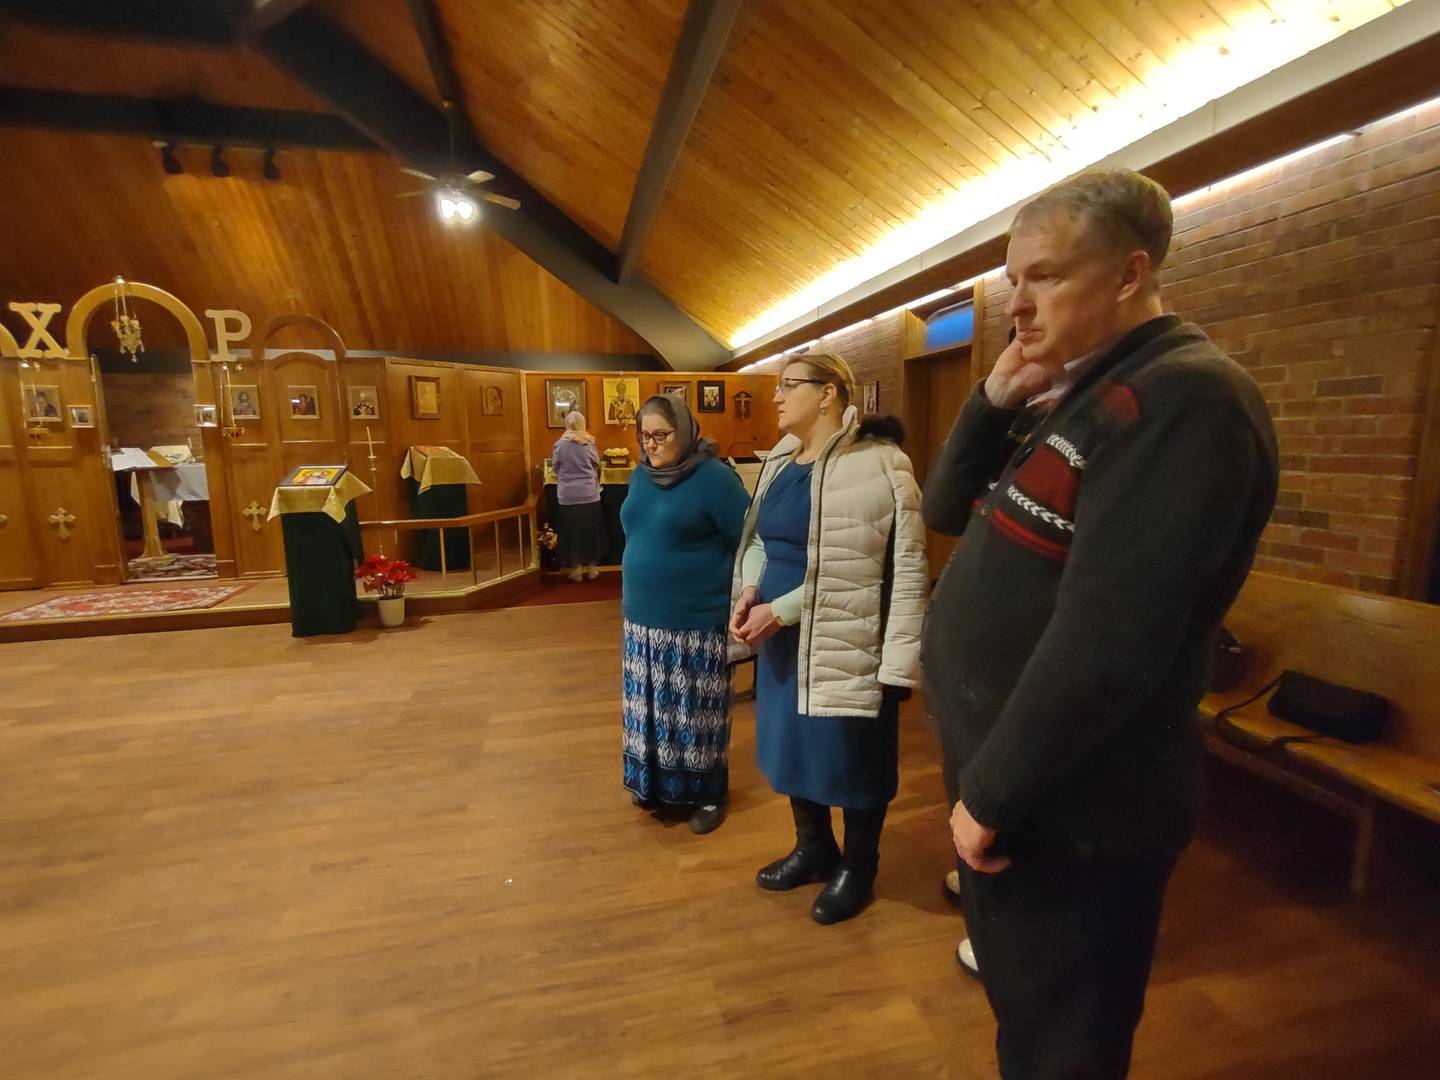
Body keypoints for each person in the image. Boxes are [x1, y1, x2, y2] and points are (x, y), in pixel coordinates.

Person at [922, 169, 1278, 1078]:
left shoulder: (1186, 399)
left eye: (1044, 277)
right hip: (1024, 789)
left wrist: (992, 795)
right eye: (1013, 282)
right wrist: (995, 394)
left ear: (1128, 275)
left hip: (1077, 803)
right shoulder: (1084, 389)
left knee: (1065, 1045)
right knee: (1026, 1018)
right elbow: (946, 503)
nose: (1019, 307)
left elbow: (1112, 639)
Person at [730, 352, 928, 925]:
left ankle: (859, 867)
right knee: (796, 748)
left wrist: (781, 610)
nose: (775, 396)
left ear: (829, 393)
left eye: (788, 385)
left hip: (847, 632)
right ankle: (814, 847)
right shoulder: (779, 460)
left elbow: (878, 567)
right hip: (783, 634)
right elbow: (762, 539)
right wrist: (748, 589)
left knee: (852, 755)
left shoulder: (881, 462)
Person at [619, 393, 751, 833]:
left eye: (661, 435)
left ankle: (708, 794)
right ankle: (657, 787)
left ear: (685, 432)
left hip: (695, 621)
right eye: (645, 435)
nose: (651, 445)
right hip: (641, 620)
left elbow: (749, 541)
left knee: (696, 716)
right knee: (651, 711)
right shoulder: (641, 477)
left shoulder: (714, 478)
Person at [550, 411, 603, 582]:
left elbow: (555, 468)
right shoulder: (589, 443)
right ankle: (593, 567)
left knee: (572, 533)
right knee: (590, 532)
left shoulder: (559, 445)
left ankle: (577, 569)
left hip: (568, 496)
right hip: (589, 495)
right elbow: (596, 464)